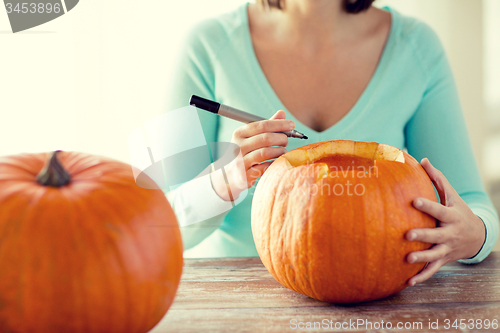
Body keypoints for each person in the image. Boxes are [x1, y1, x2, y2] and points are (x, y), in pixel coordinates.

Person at [165, 0, 499, 287]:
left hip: (382, 308)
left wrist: (475, 236)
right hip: (232, 302)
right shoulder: (207, 46)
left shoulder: (417, 47)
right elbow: (159, 224)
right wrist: (222, 182)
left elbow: (472, 203)